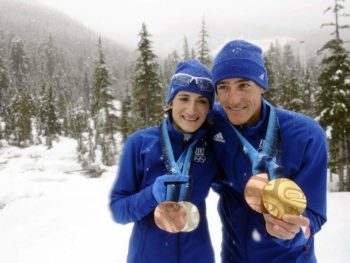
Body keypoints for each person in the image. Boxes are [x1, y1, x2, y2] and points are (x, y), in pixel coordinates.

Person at [209, 40, 327, 262]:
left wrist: (292, 230)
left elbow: (314, 216)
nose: (233, 99)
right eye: (223, 86)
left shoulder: (305, 135)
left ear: (262, 85)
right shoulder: (213, 124)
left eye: (244, 85)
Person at [109, 59, 217, 263]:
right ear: (171, 101)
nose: (192, 110)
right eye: (184, 98)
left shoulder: (213, 147)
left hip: (198, 256)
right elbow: (118, 211)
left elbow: (237, 189)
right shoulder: (140, 143)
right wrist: (151, 195)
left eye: (202, 101)